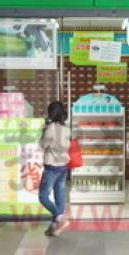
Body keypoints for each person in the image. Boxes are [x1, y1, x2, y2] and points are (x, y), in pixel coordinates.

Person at [38, 101, 71, 236]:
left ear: (51, 113)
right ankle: (54, 228)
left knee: (43, 196)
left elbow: (42, 145)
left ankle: (59, 217)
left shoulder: (50, 128)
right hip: (63, 167)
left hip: (52, 167)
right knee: (59, 197)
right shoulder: (66, 128)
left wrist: (43, 131)